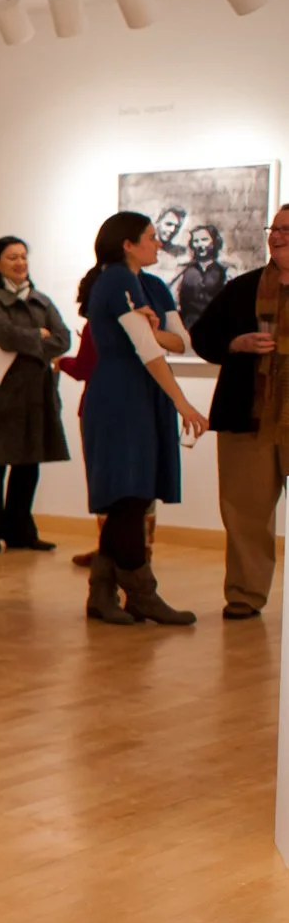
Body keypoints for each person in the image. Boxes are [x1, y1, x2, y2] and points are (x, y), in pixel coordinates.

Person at [80, 211, 208, 626]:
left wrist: (153, 334)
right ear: (127, 244)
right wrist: (183, 403)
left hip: (136, 395)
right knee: (128, 496)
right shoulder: (117, 279)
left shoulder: (141, 283)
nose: (158, 244)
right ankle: (141, 595)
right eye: (151, 238)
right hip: (121, 397)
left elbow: (176, 340)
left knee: (131, 498)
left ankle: (103, 593)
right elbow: (149, 350)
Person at [189, 204, 289, 619]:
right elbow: (204, 338)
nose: (277, 235)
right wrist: (236, 344)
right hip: (246, 417)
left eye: (287, 229)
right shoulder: (242, 288)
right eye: (274, 228)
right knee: (245, 514)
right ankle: (245, 595)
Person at [0, 236, 70, 555]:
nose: (20, 263)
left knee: (29, 463)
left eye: (24, 257)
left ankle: (20, 531)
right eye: (12, 257)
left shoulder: (41, 299)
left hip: (36, 394)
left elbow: (64, 339)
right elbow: (3, 334)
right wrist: (38, 337)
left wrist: (33, 339)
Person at [178, 223, 231, 331]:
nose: (200, 244)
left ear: (214, 242)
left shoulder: (224, 271)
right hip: (188, 326)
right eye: (196, 241)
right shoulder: (184, 270)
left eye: (204, 239)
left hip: (215, 326)